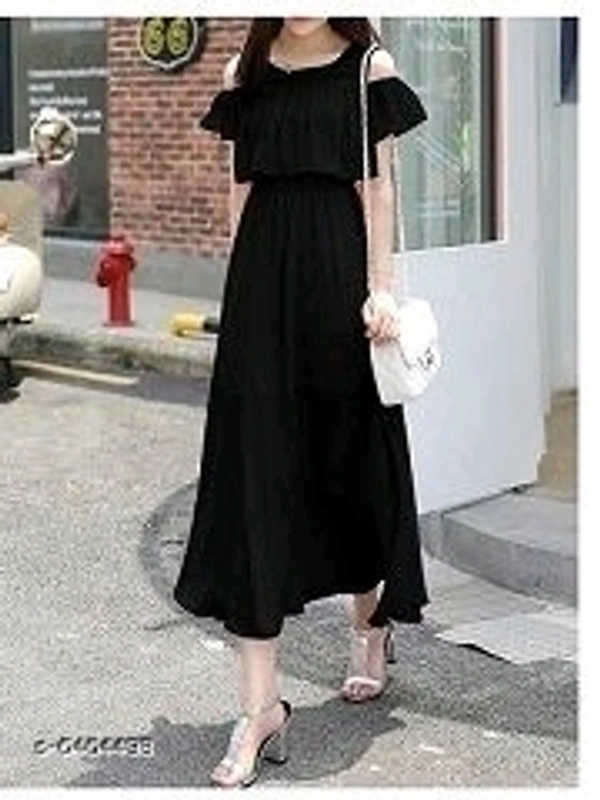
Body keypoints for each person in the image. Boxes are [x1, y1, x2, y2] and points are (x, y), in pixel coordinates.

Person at [173, 17, 430, 788]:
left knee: (347, 466)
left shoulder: (368, 68)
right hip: (261, 293)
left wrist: (380, 289)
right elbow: (240, 193)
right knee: (256, 478)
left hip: (339, 288)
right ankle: (259, 710)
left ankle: (370, 623)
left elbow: (378, 188)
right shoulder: (244, 75)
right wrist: (241, 301)